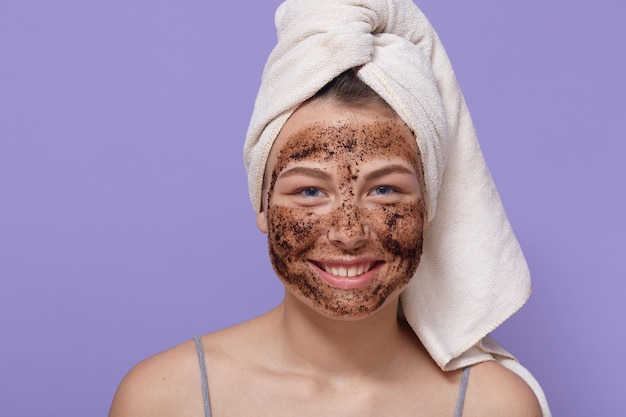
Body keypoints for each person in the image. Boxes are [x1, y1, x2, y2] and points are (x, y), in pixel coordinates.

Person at [109, 1, 551, 416]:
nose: (348, 231)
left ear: (429, 206)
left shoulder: (495, 405)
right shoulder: (165, 397)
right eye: (309, 192)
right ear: (262, 204)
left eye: (384, 191)